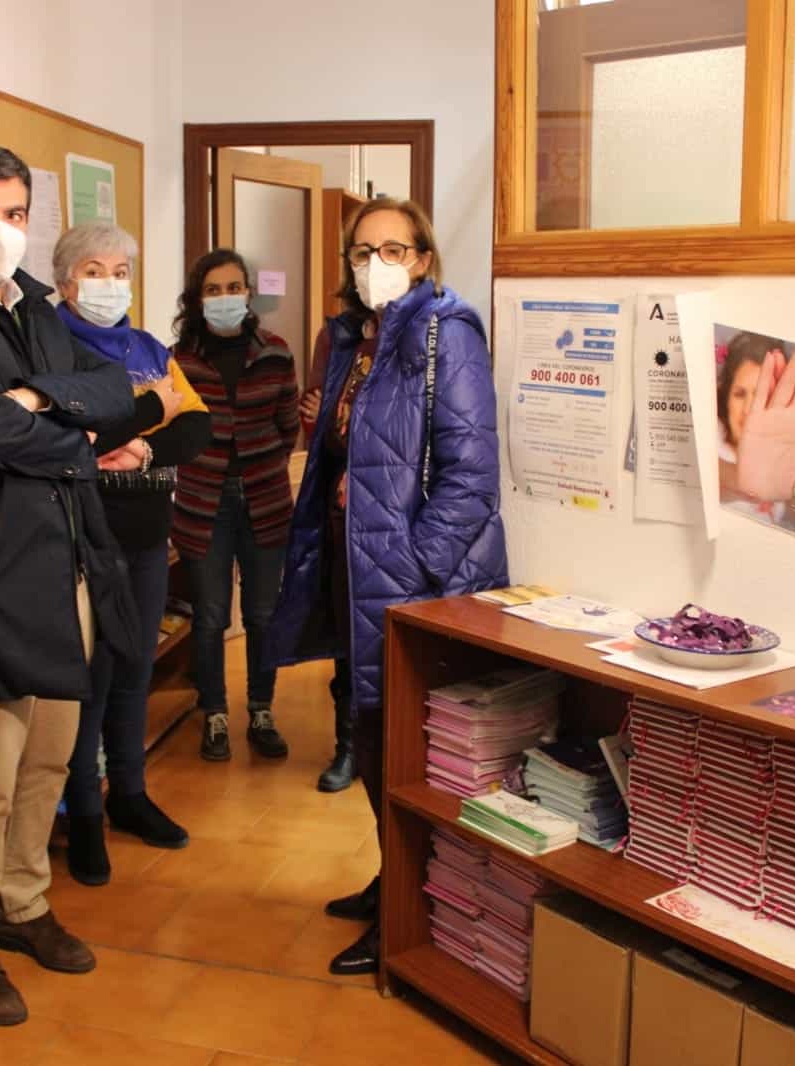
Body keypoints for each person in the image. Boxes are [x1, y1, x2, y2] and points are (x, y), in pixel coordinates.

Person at [267, 199, 508, 976]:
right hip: (353, 568)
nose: (377, 262)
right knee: (370, 735)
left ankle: (414, 908)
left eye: (394, 248)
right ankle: (391, 880)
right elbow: (341, 453)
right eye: (363, 250)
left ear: (424, 258)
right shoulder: (351, 339)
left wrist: (412, 568)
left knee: (408, 749)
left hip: (409, 583)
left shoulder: (448, 332)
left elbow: (471, 478)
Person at [0, 144, 136, 1027]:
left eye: (14, 214)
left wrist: (41, 401)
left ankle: (24, 903)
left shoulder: (42, 306)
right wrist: (71, 432)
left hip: (68, 561)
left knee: (51, 754)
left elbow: (116, 389)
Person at [53, 221, 212, 884]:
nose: (110, 284)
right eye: (95, 270)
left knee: (133, 671)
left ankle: (130, 795)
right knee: (87, 681)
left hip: (148, 535)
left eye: (121, 271)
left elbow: (197, 424)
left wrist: (143, 442)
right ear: (64, 281)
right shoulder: (49, 345)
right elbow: (72, 434)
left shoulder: (148, 345)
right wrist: (154, 406)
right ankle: (83, 815)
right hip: (80, 542)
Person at [170, 250, 297, 763]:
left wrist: (255, 465)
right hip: (203, 503)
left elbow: (289, 428)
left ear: (248, 293)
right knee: (209, 616)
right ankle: (215, 714)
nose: (226, 298)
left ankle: (261, 711)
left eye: (234, 287)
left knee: (265, 613)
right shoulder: (178, 359)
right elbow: (173, 432)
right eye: (214, 290)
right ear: (199, 300)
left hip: (265, 498)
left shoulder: (276, 353)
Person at [301, 330, 355, 794]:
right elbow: (315, 414)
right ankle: (349, 746)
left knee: (379, 644)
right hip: (338, 512)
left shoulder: (434, 332)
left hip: (392, 515)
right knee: (344, 636)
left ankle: (385, 748)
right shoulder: (339, 337)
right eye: (361, 252)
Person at [716, 331, 795, 537]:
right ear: (725, 397)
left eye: (760, 396)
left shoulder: (787, 453)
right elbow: (711, 475)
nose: (748, 410)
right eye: (739, 394)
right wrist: (745, 480)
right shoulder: (714, 447)